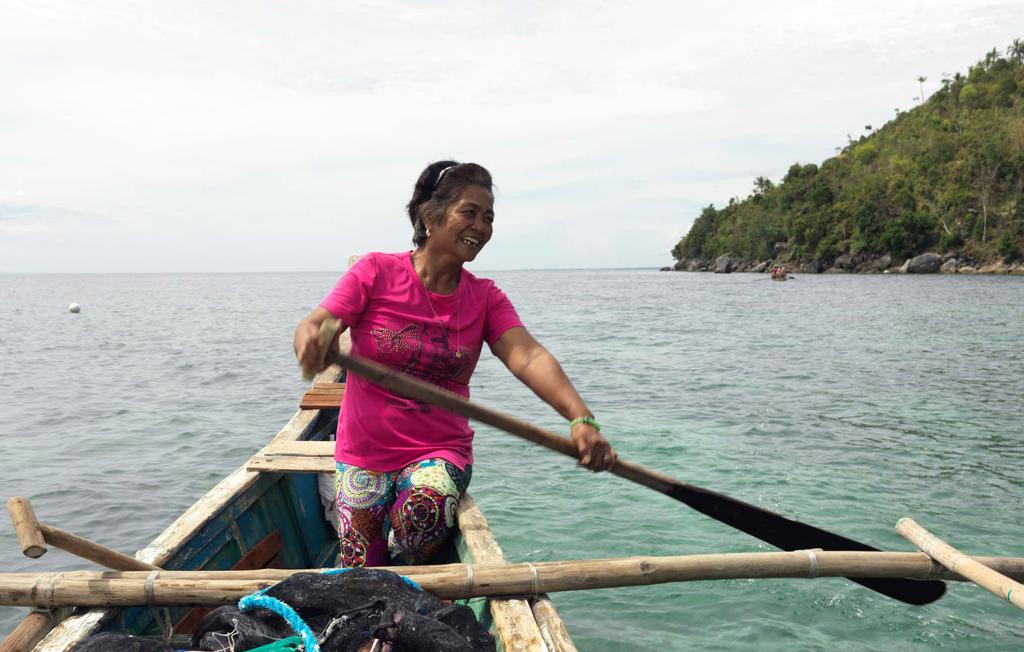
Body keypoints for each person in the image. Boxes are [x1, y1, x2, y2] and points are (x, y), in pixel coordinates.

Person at [294, 161, 616, 567]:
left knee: (420, 516)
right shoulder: (375, 271)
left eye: (489, 217)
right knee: (361, 562)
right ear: (431, 217)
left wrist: (581, 419)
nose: (481, 226)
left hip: (438, 451)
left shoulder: (484, 297)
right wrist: (310, 339)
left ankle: (406, 575)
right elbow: (319, 323)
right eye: (470, 212)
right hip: (364, 453)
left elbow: (528, 355)